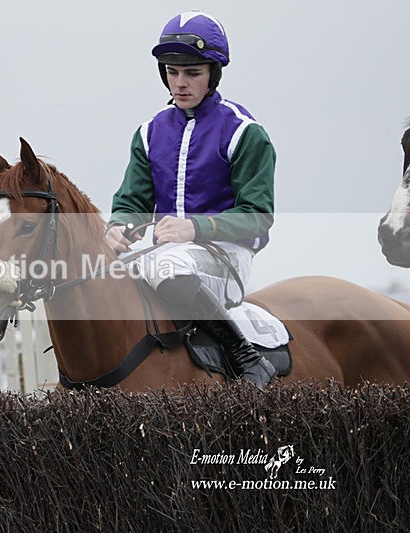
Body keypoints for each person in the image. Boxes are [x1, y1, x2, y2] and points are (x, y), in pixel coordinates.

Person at [105, 10, 277, 388]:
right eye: (172, 72)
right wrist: (118, 227)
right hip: (161, 253)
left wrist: (195, 228)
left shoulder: (245, 132)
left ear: (214, 73)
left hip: (226, 256)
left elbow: (258, 216)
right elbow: (132, 203)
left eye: (192, 73)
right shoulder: (148, 133)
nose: (180, 83)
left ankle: (247, 357)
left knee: (168, 267)